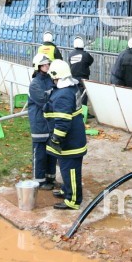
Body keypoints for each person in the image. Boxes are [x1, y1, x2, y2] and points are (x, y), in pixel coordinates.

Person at [44, 60, 87, 210]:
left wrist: (56, 138)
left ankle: (73, 200)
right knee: (65, 169)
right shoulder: (70, 88)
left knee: (71, 171)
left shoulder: (63, 95)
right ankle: (66, 190)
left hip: (70, 142)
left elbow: (63, 121)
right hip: (72, 139)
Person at [29, 54, 57, 191]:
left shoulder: (50, 79)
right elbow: (44, 101)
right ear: (38, 66)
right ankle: (39, 181)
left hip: (50, 122)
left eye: (48, 64)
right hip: (39, 123)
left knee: (52, 152)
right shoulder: (35, 84)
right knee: (40, 154)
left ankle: (50, 178)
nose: (47, 65)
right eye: (44, 64)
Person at [67, 37, 94, 106]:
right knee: (84, 95)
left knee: (74, 93)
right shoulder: (86, 54)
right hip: (83, 77)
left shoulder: (70, 54)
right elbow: (91, 61)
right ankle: (83, 111)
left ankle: (74, 108)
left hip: (73, 76)